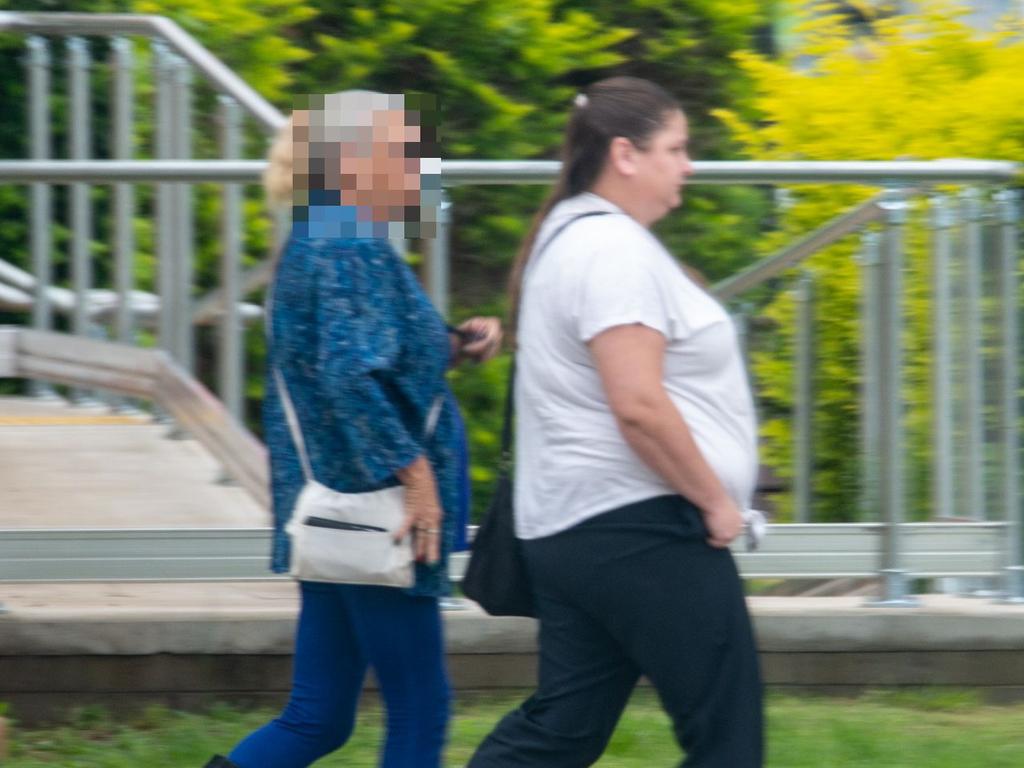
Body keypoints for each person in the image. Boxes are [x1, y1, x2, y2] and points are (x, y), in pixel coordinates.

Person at [467, 77, 763, 768]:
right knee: (728, 738)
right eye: (677, 148)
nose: (688, 165)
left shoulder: (573, 238)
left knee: (558, 735)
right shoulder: (610, 249)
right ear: (626, 154)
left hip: (581, 531)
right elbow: (638, 404)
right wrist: (718, 503)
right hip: (640, 531)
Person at [204, 91, 502, 768]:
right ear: (353, 162)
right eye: (405, 151)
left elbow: (361, 355)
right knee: (421, 713)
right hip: (379, 511)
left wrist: (455, 344)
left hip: (338, 507)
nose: (421, 165)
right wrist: (417, 476)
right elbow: (347, 374)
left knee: (318, 718)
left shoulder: (321, 237)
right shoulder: (349, 246)